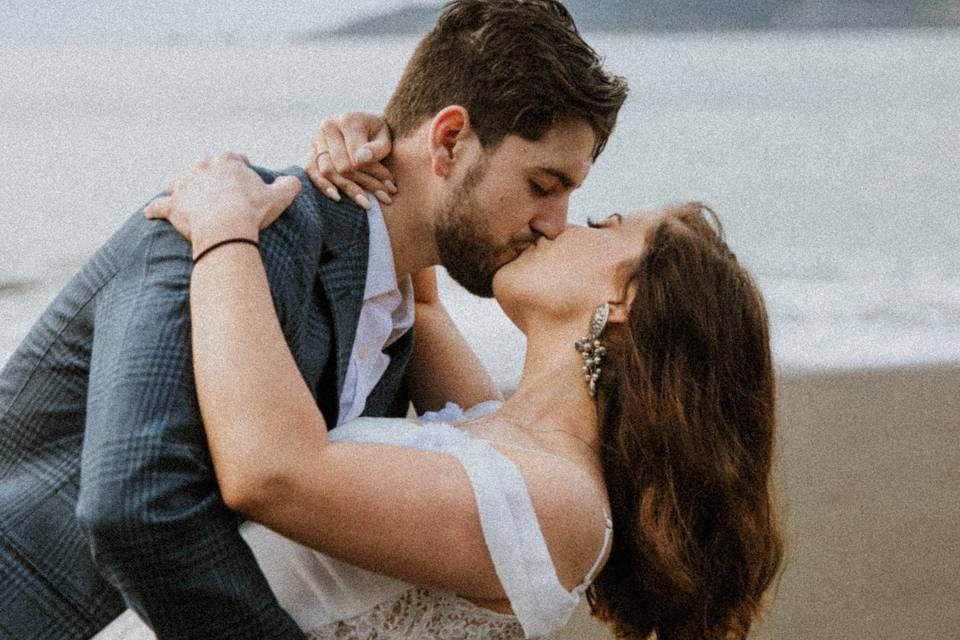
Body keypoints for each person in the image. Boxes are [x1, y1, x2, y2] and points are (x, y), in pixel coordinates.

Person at [0, 1, 627, 638]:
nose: (555, 224)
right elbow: (134, 507)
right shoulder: (229, 229)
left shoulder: (400, 317)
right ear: (449, 140)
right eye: (543, 185)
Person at [121, 152, 784, 639]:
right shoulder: (505, 435)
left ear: (623, 301)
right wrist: (365, 150)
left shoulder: (564, 508)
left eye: (596, 224)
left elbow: (270, 471)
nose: (554, 225)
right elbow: (419, 284)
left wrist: (224, 231)